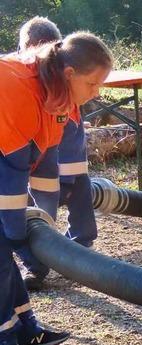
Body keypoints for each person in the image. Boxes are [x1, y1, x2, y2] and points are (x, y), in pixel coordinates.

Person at [0, 31, 112, 345]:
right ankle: (5, 338)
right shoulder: (16, 89)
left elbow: (45, 165)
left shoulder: (58, 98)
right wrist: (19, 230)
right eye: (93, 84)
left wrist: (42, 226)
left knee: (6, 246)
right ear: (69, 74)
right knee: (1, 248)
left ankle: (26, 328)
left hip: (8, 162)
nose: (97, 93)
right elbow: (11, 174)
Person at [16, 17, 98, 291]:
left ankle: (57, 255)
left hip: (52, 167)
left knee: (46, 203)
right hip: (43, 163)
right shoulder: (27, 80)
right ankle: (52, 256)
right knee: (44, 204)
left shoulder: (63, 88)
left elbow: (68, 144)